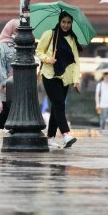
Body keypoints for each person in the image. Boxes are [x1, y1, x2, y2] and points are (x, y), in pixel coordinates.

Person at [36, 11, 81, 149]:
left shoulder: (72, 39)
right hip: (49, 74)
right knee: (59, 104)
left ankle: (50, 138)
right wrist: (48, 59)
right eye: (63, 22)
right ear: (59, 22)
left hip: (65, 77)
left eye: (68, 23)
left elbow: (76, 61)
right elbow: (38, 51)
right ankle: (66, 133)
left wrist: (76, 79)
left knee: (57, 106)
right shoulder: (49, 34)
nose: (66, 25)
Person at [0, 18, 19, 147]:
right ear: (10, 29)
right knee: (7, 109)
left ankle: (13, 130)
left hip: (19, 83)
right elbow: (0, 67)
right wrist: (5, 84)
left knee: (16, 108)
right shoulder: (1, 45)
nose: (18, 33)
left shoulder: (19, 44)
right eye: (16, 30)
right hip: (6, 84)